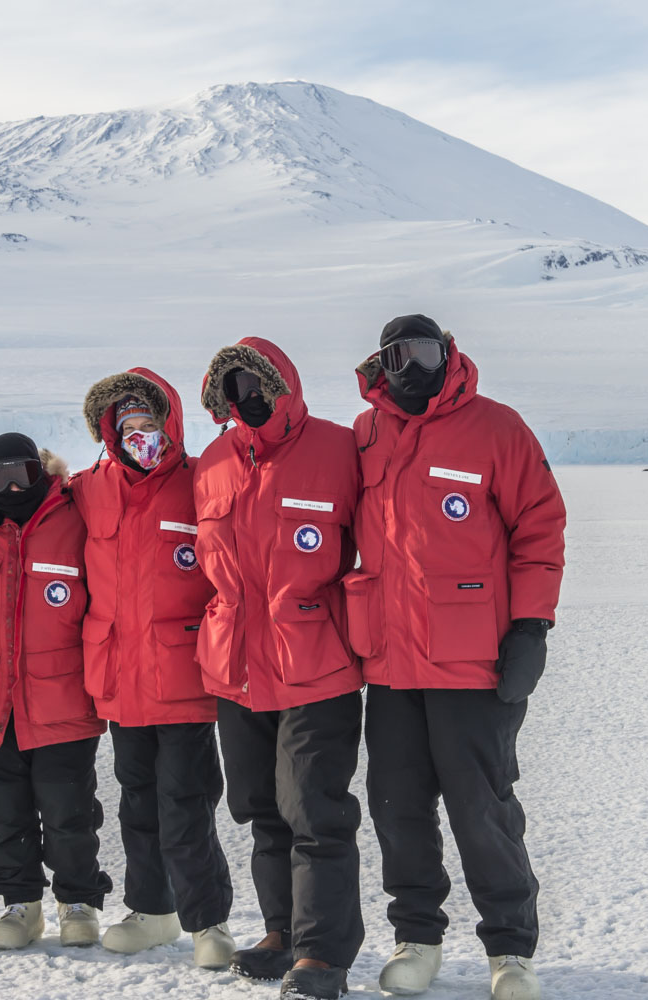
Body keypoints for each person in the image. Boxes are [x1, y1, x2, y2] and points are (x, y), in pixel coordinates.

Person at [347, 315, 566, 1000]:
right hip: (388, 665)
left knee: (483, 808)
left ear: (450, 353)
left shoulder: (497, 429)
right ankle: (417, 938)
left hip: (474, 665)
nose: (414, 364)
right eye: (400, 353)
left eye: (427, 350)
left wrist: (531, 626)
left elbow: (540, 526)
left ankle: (510, 949)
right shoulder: (366, 434)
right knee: (397, 807)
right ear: (381, 361)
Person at [192, 338, 363, 1000]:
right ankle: (282, 930)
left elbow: (383, 542)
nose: (245, 397)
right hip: (235, 666)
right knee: (262, 808)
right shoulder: (211, 463)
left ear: (281, 383)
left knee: (314, 808)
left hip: (316, 665)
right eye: (231, 388)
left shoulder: (337, 449)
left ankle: (322, 955)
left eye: (255, 382)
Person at [70, 371, 235, 968]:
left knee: (186, 802)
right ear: (110, 433)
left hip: (184, 675)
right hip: (118, 674)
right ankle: (152, 910)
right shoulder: (88, 489)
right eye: (127, 426)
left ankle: (207, 921)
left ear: (170, 426)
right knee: (137, 802)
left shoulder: (202, 483)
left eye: (148, 424)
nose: (139, 435)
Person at [0, 432, 113, 950]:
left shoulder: (74, 511)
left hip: (62, 694)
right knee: (3, 812)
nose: (13, 485)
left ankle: (77, 902)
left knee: (69, 810)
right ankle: (22, 907)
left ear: (42, 472)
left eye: (23, 473)